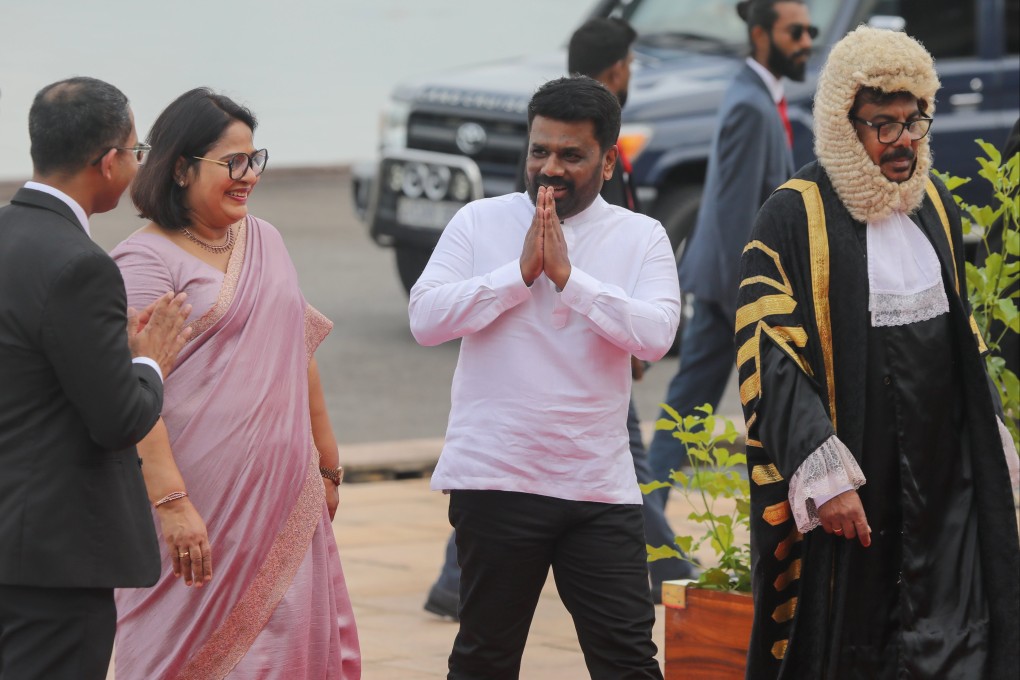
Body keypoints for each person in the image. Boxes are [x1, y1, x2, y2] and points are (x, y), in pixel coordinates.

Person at [736, 25, 1020, 679]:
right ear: (844, 122)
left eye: (912, 121)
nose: (901, 142)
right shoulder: (790, 216)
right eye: (881, 124)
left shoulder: (937, 206)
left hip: (944, 476)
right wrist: (820, 466)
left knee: (956, 634)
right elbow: (768, 351)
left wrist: (991, 432)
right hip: (856, 479)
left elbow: (960, 333)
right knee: (851, 639)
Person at [410, 75, 679, 679]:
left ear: (609, 161)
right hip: (497, 481)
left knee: (629, 662)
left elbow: (656, 335)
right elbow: (424, 318)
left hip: (598, 488)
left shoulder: (641, 236)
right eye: (539, 151)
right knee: (485, 660)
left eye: (570, 155)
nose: (548, 168)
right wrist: (517, 274)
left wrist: (569, 279)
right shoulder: (479, 222)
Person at [109, 88, 361, 679]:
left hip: (283, 497)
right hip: (196, 505)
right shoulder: (143, 262)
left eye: (255, 159)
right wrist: (172, 504)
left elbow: (298, 351)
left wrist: (326, 464)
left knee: (289, 647)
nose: (248, 176)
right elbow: (132, 395)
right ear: (180, 167)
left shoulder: (264, 240)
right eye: (233, 163)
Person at [0, 77, 191, 680]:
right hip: (54, 556)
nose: (137, 164)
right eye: (135, 152)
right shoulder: (81, 264)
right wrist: (149, 360)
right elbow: (118, 420)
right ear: (108, 163)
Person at [645, 0, 812, 510]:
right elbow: (734, 215)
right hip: (734, 295)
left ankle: (645, 533)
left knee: (694, 412)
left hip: (737, 292)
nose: (806, 41)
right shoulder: (749, 105)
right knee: (687, 414)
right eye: (795, 32)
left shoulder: (761, 96)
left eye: (810, 30)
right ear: (761, 35)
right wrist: (746, 301)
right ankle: (644, 533)